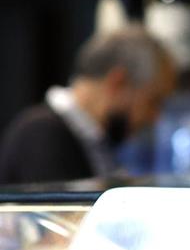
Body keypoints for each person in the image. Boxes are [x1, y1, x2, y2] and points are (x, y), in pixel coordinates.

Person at [0, 28, 177, 185]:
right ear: (118, 83)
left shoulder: (93, 141)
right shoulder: (41, 134)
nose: (155, 117)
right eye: (153, 101)